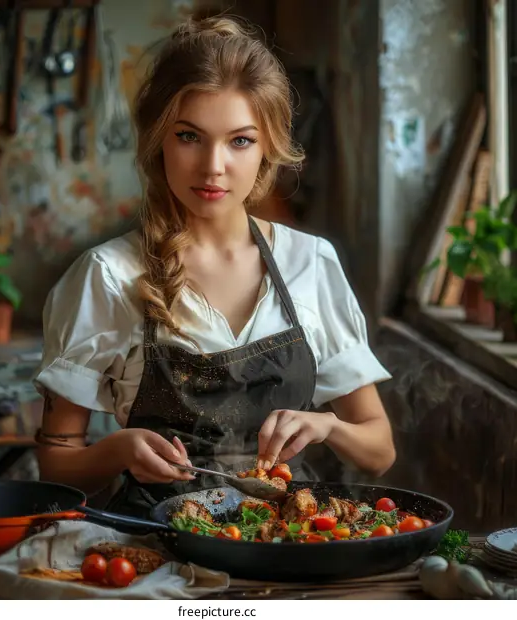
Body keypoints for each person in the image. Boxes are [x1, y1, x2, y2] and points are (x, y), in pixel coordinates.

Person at [32, 16, 396, 518]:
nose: (213, 167)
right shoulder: (107, 275)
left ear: (268, 144)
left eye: (240, 141)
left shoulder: (310, 264)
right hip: (157, 544)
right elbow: (56, 464)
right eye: (189, 136)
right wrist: (118, 451)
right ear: (160, 137)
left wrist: (328, 426)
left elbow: (379, 451)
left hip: (289, 537)